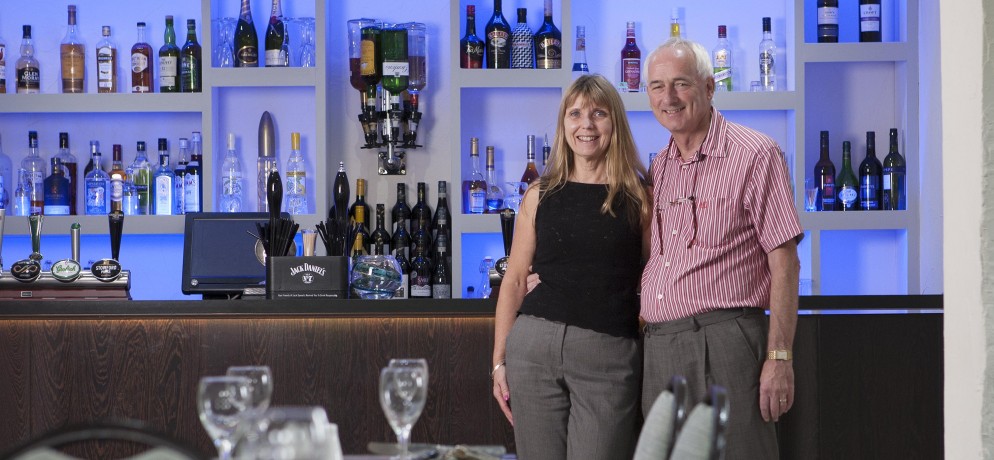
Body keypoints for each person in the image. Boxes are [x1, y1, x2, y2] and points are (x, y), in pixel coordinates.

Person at [640, 38, 802, 459]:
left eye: (681, 84)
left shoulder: (755, 154)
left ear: (709, 88)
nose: (668, 98)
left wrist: (779, 357)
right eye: (657, 87)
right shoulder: (660, 166)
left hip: (724, 344)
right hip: (659, 348)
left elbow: (784, 261)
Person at [490, 74, 651, 460]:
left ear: (616, 124)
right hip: (533, 348)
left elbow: (653, 277)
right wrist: (498, 362)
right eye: (575, 114)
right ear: (563, 124)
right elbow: (513, 280)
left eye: (599, 113)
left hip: (607, 352)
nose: (586, 125)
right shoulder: (539, 195)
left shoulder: (640, 196)